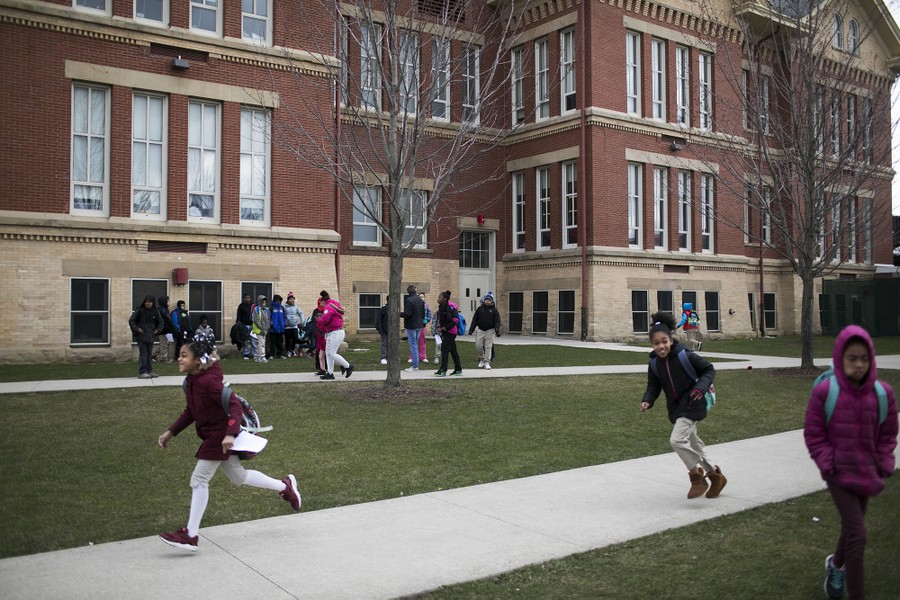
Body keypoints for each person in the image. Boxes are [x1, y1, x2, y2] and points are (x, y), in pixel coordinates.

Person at [156, 337, 301, 552]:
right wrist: (171, 432)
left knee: (199, 479)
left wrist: (230, 434)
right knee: (238, 477)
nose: (179, 358)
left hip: (220, 437)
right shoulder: (191, 382)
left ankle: (190, 535)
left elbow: (234, 406)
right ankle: (285, 487)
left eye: (184, 355)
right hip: (215, 437)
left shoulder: (208, 382)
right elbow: (191, 412)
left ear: (198, 360)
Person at [804, 325, 898, 600]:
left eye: (864, 358)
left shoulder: (883, 394)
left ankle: (835, 566)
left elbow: (888, 433)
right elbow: (814, 433)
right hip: (837, 472)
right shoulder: (825, 392)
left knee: (851, 527)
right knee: (858, 534)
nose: (858, 364)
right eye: (852, 358)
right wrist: (828, 462)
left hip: (867, 471)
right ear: (839, 359)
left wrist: (883, 462)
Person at [640, 311, 725, 500]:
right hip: (676, 407)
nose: (661, 346)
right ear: (652, 345)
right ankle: (715, 476)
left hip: (693, 403)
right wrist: (647, 400)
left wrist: (700, 389)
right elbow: (654, 385)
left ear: (671, 339)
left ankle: (697, 477)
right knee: (695, 444)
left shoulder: (684, 355)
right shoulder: (654, 362)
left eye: (664, 341)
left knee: (677, 440)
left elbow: (708, 370)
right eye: (656, 343)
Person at [317, 291, 353, 380]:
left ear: (323, 301)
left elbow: (325, 320)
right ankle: (330, 373)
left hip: (334, 332)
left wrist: (318, 320)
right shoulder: (335, 304)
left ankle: (348, 366)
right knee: (329, 354)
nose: (321, 305)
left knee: (331, 354)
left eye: (321, 303)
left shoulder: (328, 307)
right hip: (335, 332)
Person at [129, 295, 163, 379]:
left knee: (149, 354)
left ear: (153, 303)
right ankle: (142, 372)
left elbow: (161, 323)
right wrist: (137, 329)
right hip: (141, 337)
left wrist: (157, 330)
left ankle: (149, 371)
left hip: (151, 337)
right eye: (146, 302)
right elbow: (132, 321)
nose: (147, 303)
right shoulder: (139, 311)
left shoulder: (155, 312)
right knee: (143, 354)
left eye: (149, 302)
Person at [469, 292, 502, 370]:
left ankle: (487, 362)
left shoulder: (494, 310)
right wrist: (471, 330)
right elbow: (474, 320)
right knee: (478, 346)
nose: (487, 301)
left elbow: (497, 321)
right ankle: (482, 358)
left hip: (490, 331)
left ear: (491, 301)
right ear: (484, 300)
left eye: (489, 300)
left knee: (488, 347)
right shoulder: (480, 309)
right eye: (486, 300)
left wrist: (497, 330)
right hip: (480, 330)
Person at [434, 290, 463, 377]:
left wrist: (446, 328)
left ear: (445, 299)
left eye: (440, 297)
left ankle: (443, 370)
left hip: (451, 331)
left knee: (444, 349)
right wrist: (440, 328)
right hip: (445, 331)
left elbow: (455, 319)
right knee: (453, 350)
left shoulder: (451, 307)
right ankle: (458, 369)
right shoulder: (441, 307)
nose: (438, 299)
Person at [400, 285, 425, 372]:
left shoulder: (408, 300)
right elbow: (423, 314)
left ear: (408, 292)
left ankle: (415, 366)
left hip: (411, 325)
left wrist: (399, 313)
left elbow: (408, 314)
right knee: (415, 344)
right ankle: (415, 364)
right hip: (419, 325)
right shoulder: (420, 300)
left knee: (413, 345)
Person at [408, 292, 431, 364]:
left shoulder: (426, 306)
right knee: (414, 341)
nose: (421, 298)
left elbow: (429, 314)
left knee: (422, 341)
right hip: (415, 326)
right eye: (420, 297)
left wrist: (426, 320)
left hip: (422, 326)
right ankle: (412, 357)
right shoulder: (415, 305)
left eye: (422, 297)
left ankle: (423, 357)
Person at [154, 295, 175, 363]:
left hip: (167, 330)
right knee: (163, 344)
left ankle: (153, 354)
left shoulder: (165, 310)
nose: (169, 302)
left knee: (166, 344)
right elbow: (163, 321)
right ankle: (164, 358)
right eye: (168, 301)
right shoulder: (161, 310)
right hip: (162, 330)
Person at [284, 293, 305, 358]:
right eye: (290, 299)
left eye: (293, 299)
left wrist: (302, 321)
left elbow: (301, 313)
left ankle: (292, 350)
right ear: (288, 300)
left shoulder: (296, 307)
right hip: (287, 327)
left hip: (294, 326)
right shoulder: (284, 306)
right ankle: (288, 351)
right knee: (288, 340)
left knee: (295, 339)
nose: (292, 300)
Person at [251, 295, 270, 364]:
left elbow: (268, 319)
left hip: (265, 329)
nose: (264, 304)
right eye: (262, 302)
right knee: (261, 343)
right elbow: (255, 320)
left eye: (265, 302)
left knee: (262, 343)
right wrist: (261, 327)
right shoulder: (256, 309)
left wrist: (267, 327)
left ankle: (258, 356)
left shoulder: (267, 310)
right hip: (259, 330)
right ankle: (262, 356)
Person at [236, 294, 254, 360]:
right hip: (244, 325)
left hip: (252, 325)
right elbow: (238, 315)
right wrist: (238, 323)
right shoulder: (241, 306)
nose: (247, 299)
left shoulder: (253, 306)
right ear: (243, 299)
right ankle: (246, 354)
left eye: (248, 298)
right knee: (245, 340)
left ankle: (253, 354)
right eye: (246, 298)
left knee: (253, 340)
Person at [269, 294, 286, 359]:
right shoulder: (271, 307)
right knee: (272, 342)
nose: (278, 302)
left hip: (281, 328)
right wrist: (271, 324)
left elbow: (285, 316)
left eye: (279, 300)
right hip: (273, 328)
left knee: (280, 342)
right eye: (277, 300)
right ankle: (272, 354)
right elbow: (269, 317)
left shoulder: (282, 308)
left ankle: (280, 354)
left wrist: (284, 323)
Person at [375, 296, 390, 366]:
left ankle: (389, 357)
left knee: (391, 344)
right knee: (384, 344)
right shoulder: (384, 309)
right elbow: (379, 320)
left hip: (392, 331)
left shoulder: (395, 309)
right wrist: (380, 330)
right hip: (384, 330)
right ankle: (383, 358)